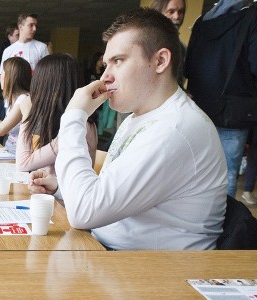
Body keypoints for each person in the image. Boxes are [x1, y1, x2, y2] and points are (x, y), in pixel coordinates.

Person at [29, 8, 227, 250]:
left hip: (154, 274)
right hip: (112, 255)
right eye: (106, 64)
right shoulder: (142, 116)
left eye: (118, 61)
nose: (105, 77)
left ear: (160, 61)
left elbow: (84, 212)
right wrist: (62, 188)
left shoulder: (174, 129)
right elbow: (109, 196)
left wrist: (73, 116)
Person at [184, 0, 257, 197]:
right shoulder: (252, 17)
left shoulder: (202, 21)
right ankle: (220, 226)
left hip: (196, 109)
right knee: (227, 175)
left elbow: (188, 66)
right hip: (233, 114)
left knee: (191, 172)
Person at [16, 53, 98, 173]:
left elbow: (23, 163)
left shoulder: (77, 124)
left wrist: (27, 117)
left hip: (64, 191)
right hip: (50, 190)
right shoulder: (52, 118)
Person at [150, 0, 187, 86]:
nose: (177, 16)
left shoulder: (182, 48)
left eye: (180, 12)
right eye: (171, 12)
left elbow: (178, 82)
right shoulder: (144, 42)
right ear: (159, 13)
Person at [0, 23, 19, 120]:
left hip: (13, 92)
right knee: (2, 120)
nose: (20, 38)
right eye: (17, 35)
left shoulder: (17, 48)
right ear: (10, 36)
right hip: (1, 94)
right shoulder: (3, 50)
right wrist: (0, 92)